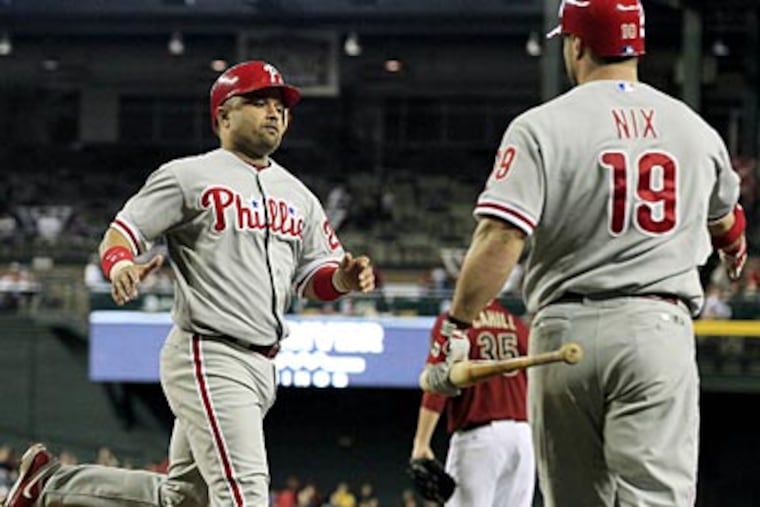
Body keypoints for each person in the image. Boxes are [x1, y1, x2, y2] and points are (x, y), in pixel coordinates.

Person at [4, 60, 374, 507]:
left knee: (183, 498)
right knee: (246, 494)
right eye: (258, 102)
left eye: (280, 105)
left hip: (261, 366)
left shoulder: (299, 196)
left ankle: (50, 486)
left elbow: (312, 279)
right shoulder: (188, 176)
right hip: (210, 351)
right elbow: (122, 233)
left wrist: (341, 278)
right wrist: (121, 265)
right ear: (222, 115)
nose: (274, 112)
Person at [421, 1, 747, 506]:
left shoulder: (541, 126)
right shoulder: (694, 128)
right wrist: (731, 246)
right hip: (656, 328)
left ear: (577, 45)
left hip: (563, 332)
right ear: (636, 45)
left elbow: (501, 238)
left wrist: (460, 324)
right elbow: (726, 218)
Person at [411, 298, 535, 507]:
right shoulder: (517, 324)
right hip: (523, 436)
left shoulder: (455, 322)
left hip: (480, 437)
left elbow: (437, 383)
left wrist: (421, 442)